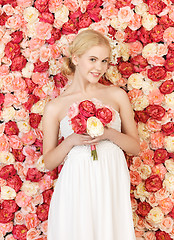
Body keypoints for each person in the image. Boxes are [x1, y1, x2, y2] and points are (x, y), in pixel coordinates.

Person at [43, 29, 140, 240]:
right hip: (76, 186)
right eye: (93, 59)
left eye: (104, 61)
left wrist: (109, 134)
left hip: (110, 182)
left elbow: (135, 148)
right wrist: (70, 141)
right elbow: (48, 162)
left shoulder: (116, 95)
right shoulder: (55, 106)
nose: (99, 67)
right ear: (76, 58)